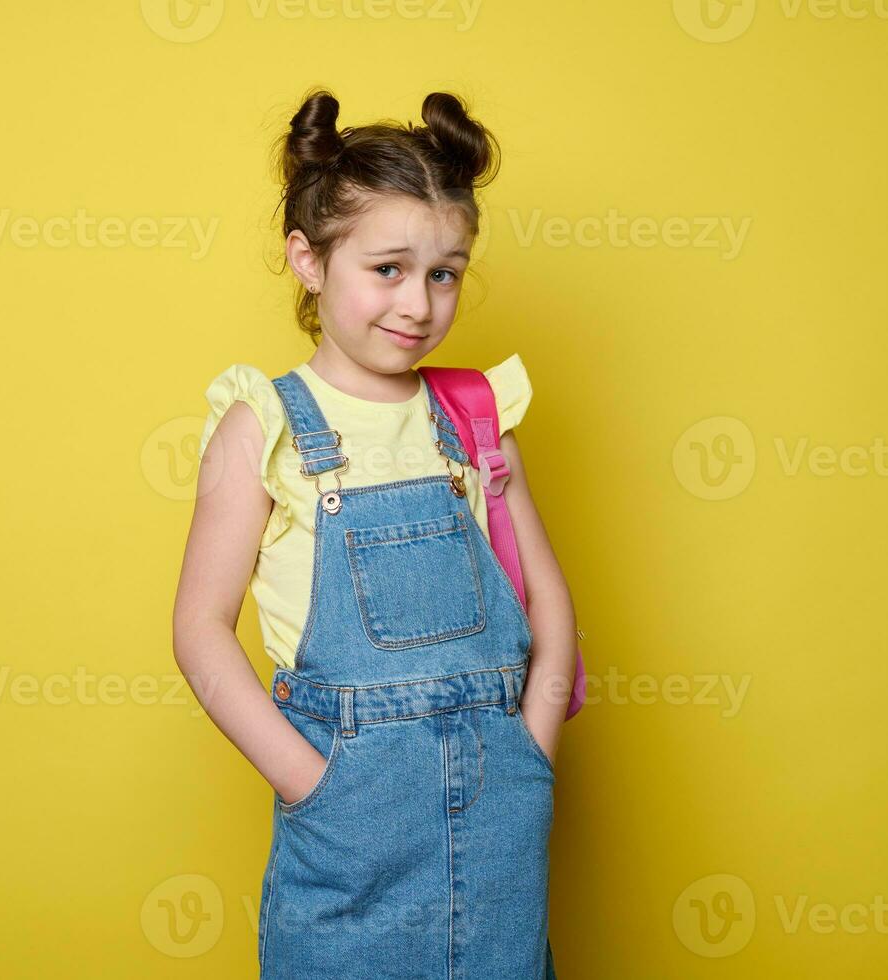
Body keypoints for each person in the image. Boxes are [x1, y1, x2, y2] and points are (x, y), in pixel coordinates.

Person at [172, 87, 577, 979]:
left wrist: (533, 749)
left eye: (445, 272)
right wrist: (310, 787)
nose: (419, 304)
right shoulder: (266, 425)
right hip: (349, 813)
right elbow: (199, 629)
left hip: (502, 806)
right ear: (308, 262)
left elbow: (546, 597)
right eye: (387, 268)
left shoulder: (475, 415)